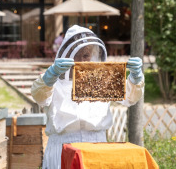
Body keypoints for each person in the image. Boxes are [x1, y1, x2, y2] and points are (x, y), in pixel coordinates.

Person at [31, 25, 145, 169]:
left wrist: (135, 79)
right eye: (75, 55)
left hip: (97, 148)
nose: (81, 60)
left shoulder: (102, 79)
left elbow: (129, 98)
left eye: (86, 55)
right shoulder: (54, 79)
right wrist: (49, 76)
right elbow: (39, 97)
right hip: (62, 148)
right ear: (65, 55)